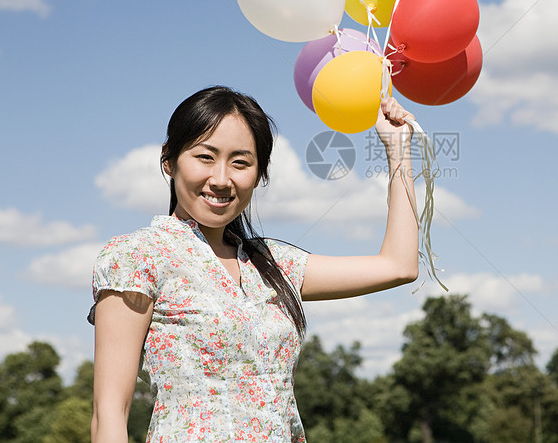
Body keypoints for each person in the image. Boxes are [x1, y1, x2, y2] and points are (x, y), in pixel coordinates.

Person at [89, 85, 419, 443]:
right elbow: (109, 413)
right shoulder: (138, 257)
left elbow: (399, 265)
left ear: (260, 174)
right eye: (205, 157)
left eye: (241, 162)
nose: (221, 178)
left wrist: (398, 150)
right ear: (169, 160)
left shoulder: (273, 264)